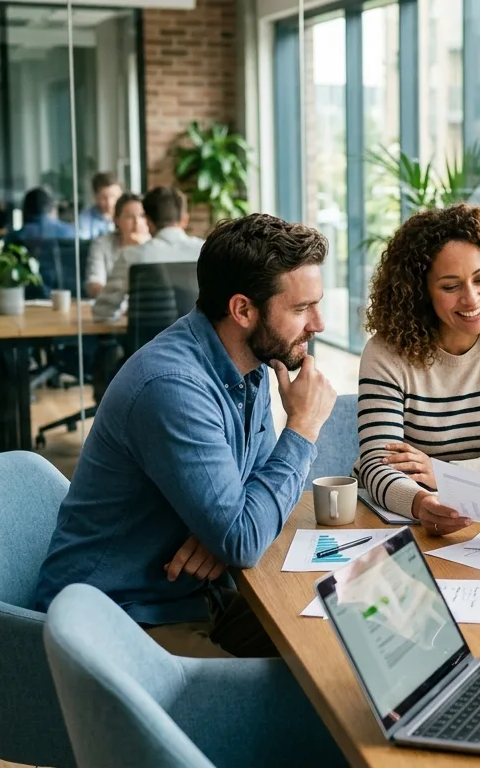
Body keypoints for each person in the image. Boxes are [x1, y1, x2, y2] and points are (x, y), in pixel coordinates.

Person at [34, 213, 337, 659]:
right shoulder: (172, 387)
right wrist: (303, 427)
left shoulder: (250, 367)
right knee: (309, 691)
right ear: (243, 310)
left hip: (196, 597)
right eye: (300, 309)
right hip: (119, 619)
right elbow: (246, 532)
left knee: (336, 632)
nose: (319, 324)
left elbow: (252, 508)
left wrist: (225, 536)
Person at [355, 204, 480, 535]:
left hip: (479, 516)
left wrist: (446, 474)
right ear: (421, 293)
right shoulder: (385, 353)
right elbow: (377, 467)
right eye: (450, 286)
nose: (472, 298)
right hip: (401, 518)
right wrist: (421, 503)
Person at [93, 186, 203, 322]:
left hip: (146, 342)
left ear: (148, 221)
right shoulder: (206, 251)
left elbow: (102, 312)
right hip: (198, 342)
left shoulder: (131, 256)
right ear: (184, 220)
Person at [85, 192, 149, 298]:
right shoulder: (102, 244)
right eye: (129, 217)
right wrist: (113, 297)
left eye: (142, 216)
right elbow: (94, 284)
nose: (137, 222)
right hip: (111, 305)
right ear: (117, 220)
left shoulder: (155, 244)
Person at [77, 171, 122, 240]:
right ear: (96, 197)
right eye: (104, 197)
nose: (109, 203)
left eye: (113, 196)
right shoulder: (85, 219)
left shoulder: (129, 216)